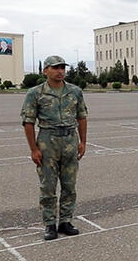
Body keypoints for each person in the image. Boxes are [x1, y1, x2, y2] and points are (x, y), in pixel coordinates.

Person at [20, 55, 88, 240]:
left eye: (62, 68)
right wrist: (33, 149)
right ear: (46, 71)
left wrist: (83, 142)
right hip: (47, 141)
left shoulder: (74, 91)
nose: (60, 71)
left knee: (69, 185)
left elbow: (81, 116)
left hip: (69, 140)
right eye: (55, 68)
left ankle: (65, 221)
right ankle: (50, 224)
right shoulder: (35, 92)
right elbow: (28, 122)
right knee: (48, 186)